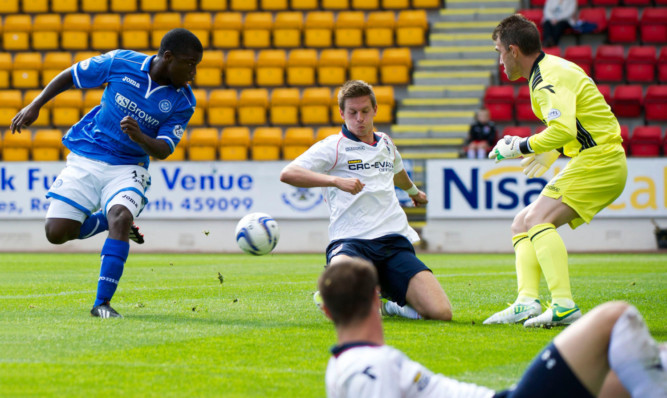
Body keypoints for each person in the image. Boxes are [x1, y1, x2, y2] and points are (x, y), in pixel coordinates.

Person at [10, 28, 203, 318]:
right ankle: (104, 220)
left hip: (129, 166)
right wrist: (36, 104)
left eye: (196, 65)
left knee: (122, 217)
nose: (193, 73)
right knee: (56, 233)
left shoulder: (183, 101)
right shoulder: (120, 62)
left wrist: (139, 137)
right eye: (189, 63)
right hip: (88, 154)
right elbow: (72, 75)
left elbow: (164, 149)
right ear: (168, 56)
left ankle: (102, 303)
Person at [321, 258, 666, 398]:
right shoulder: (369, 365)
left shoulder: (346, 364)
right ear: (376, 297)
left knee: (623, 377)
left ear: (327, 312)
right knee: (615, 317)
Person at [485, 14, 627, 328]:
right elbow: (577, 121)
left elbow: (562, 127)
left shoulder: (546, 78)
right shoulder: (553, 68)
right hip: (594, 157)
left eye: (499, 53)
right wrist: (551, 151)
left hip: (600, 160)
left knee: (537, 219)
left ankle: (563, 305)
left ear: (513, 51)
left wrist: (521, 146)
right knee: (521, 223)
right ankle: (526, 302)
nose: (500, 62)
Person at [280, 80, 452, 321]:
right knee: (346, 302)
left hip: (392, 241)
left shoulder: (386, 143)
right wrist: (335, 181)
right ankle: (345, 289)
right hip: (351, 242)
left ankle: (389, 305)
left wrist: (413, 192)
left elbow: (397, 171)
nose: (359, 118)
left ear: (375, 110)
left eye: (364, 111)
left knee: (441, 313)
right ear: (342, 113)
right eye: (352, 112)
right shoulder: (333, 147)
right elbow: (288, 173)